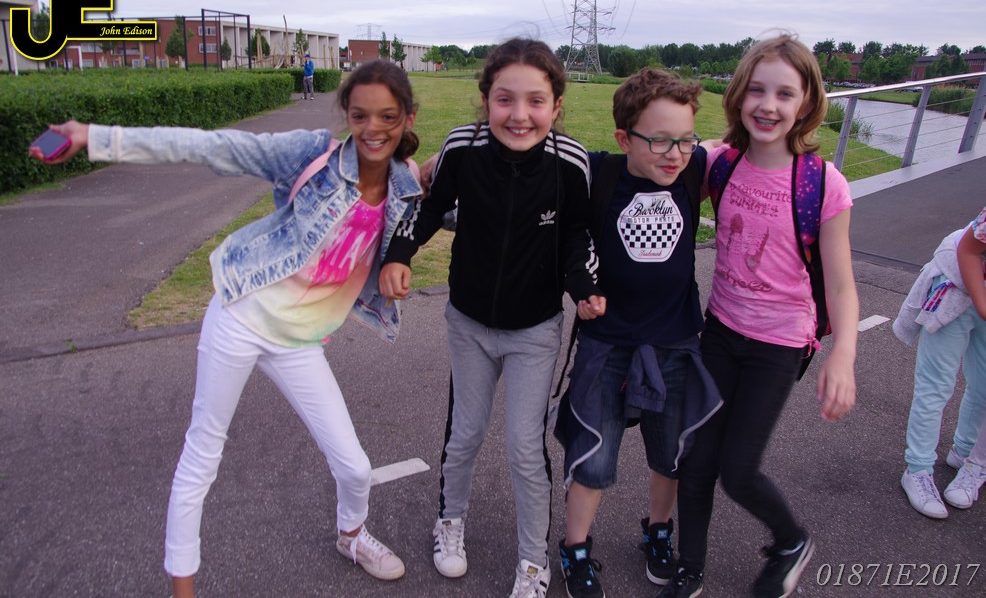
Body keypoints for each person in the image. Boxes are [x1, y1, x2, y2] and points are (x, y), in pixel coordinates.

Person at [29, 59, 421, 598]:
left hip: (299, 342)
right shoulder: (311, 155)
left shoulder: (408, 185)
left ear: (407, 118)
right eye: (360, 116)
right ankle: (183, 588)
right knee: (204, 452)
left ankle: (350, 536)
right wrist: (95, 137)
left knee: (354, 468)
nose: (373, 129)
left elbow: (467, 204)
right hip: (241, 316)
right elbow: (211, 147)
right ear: (347, 115)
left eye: (388, 117)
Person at [379, 37, 604, 598]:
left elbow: (578, 234)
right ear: (486, 101)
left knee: (525, 448)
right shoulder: (462, 147)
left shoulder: (570, 162)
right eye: (505, 99)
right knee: (465, 434)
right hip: (469, 324)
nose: (519, 114)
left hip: (535, 331)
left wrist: (583, 285)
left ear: (556, 106)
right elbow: (428, 207)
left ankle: (533, 562)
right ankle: (449, 521)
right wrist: (399, 255)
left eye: (535, 101)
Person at [665, 34, 859, 598]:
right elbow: (662, 161)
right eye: (756, 90)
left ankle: (791, 540)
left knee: (739, 469)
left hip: (779, 345)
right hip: (720, 332)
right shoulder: (719, 164)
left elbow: (841, 285)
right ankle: (689, 570)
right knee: (696, 461)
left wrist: (843, 353)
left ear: (806, 102)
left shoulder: (823, 185)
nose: (767, 105)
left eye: (784, 93)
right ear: (738, 95)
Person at [552, 68, 722, 598]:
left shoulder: (694, 168)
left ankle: (658, 530)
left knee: (670, 453)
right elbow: (537, 159)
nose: (675, 154)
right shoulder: (599, 174)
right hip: (607, 343)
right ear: (625, 138)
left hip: (676, 342)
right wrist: (434, 164)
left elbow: (741, 142)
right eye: (660, 140)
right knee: (594, 454)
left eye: (685, 140)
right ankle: (576, 547)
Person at [894, 206, 986, 518]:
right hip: (957, 281)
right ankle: (917, 470)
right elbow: (969, 249)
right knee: (935, 385)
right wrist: (983, 307)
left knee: (984, 385)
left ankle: (966, 454)